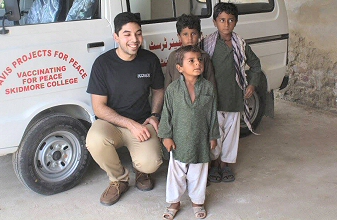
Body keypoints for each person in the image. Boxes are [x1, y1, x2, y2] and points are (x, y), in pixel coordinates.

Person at [86, 12, 164, 206]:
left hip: (142, 122)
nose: (134, 40)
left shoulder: (150, 59)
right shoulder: (103, 64)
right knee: (94, 140)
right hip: (111, 124)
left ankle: (141, 171)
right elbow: (98, 108)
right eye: (127, 34)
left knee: (151, 163)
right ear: (116, 37)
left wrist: (154, 115)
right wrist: (130, 125)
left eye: (138, 33)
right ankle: (119, 180)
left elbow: (158, 90)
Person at [201, 2, 262, 183]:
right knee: (215, 134)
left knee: (231, 135)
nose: (226, 24)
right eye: (222, 20)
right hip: (214, 100)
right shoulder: (207, 44)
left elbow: (256, 65)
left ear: (235, 23)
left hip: (235, 98)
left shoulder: (240, 44)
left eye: (230, 20)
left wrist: (252, 84)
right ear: (214, 22)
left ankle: (225, 165)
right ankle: (213, 164)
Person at [159, 45, 220, 219]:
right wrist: (166, 136)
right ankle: (174, 202)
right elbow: (167, 113)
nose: (197, 64)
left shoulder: (208, 88)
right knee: (176, 174)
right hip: (178, 140)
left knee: (198, 173)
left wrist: (213, 136)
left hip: (201, 140)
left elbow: (212, 113)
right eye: (191, 61)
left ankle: (197, 202)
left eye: (199, 60)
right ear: (179, 68)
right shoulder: (172, 90)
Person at [164, 14, 216, 89]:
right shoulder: (174, 56)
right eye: (185, 34)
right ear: (179, 36)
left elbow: (211, 85)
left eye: (193, 34)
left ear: (199, 35)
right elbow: (168, 85)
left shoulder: (204, 57)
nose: (190, 38)